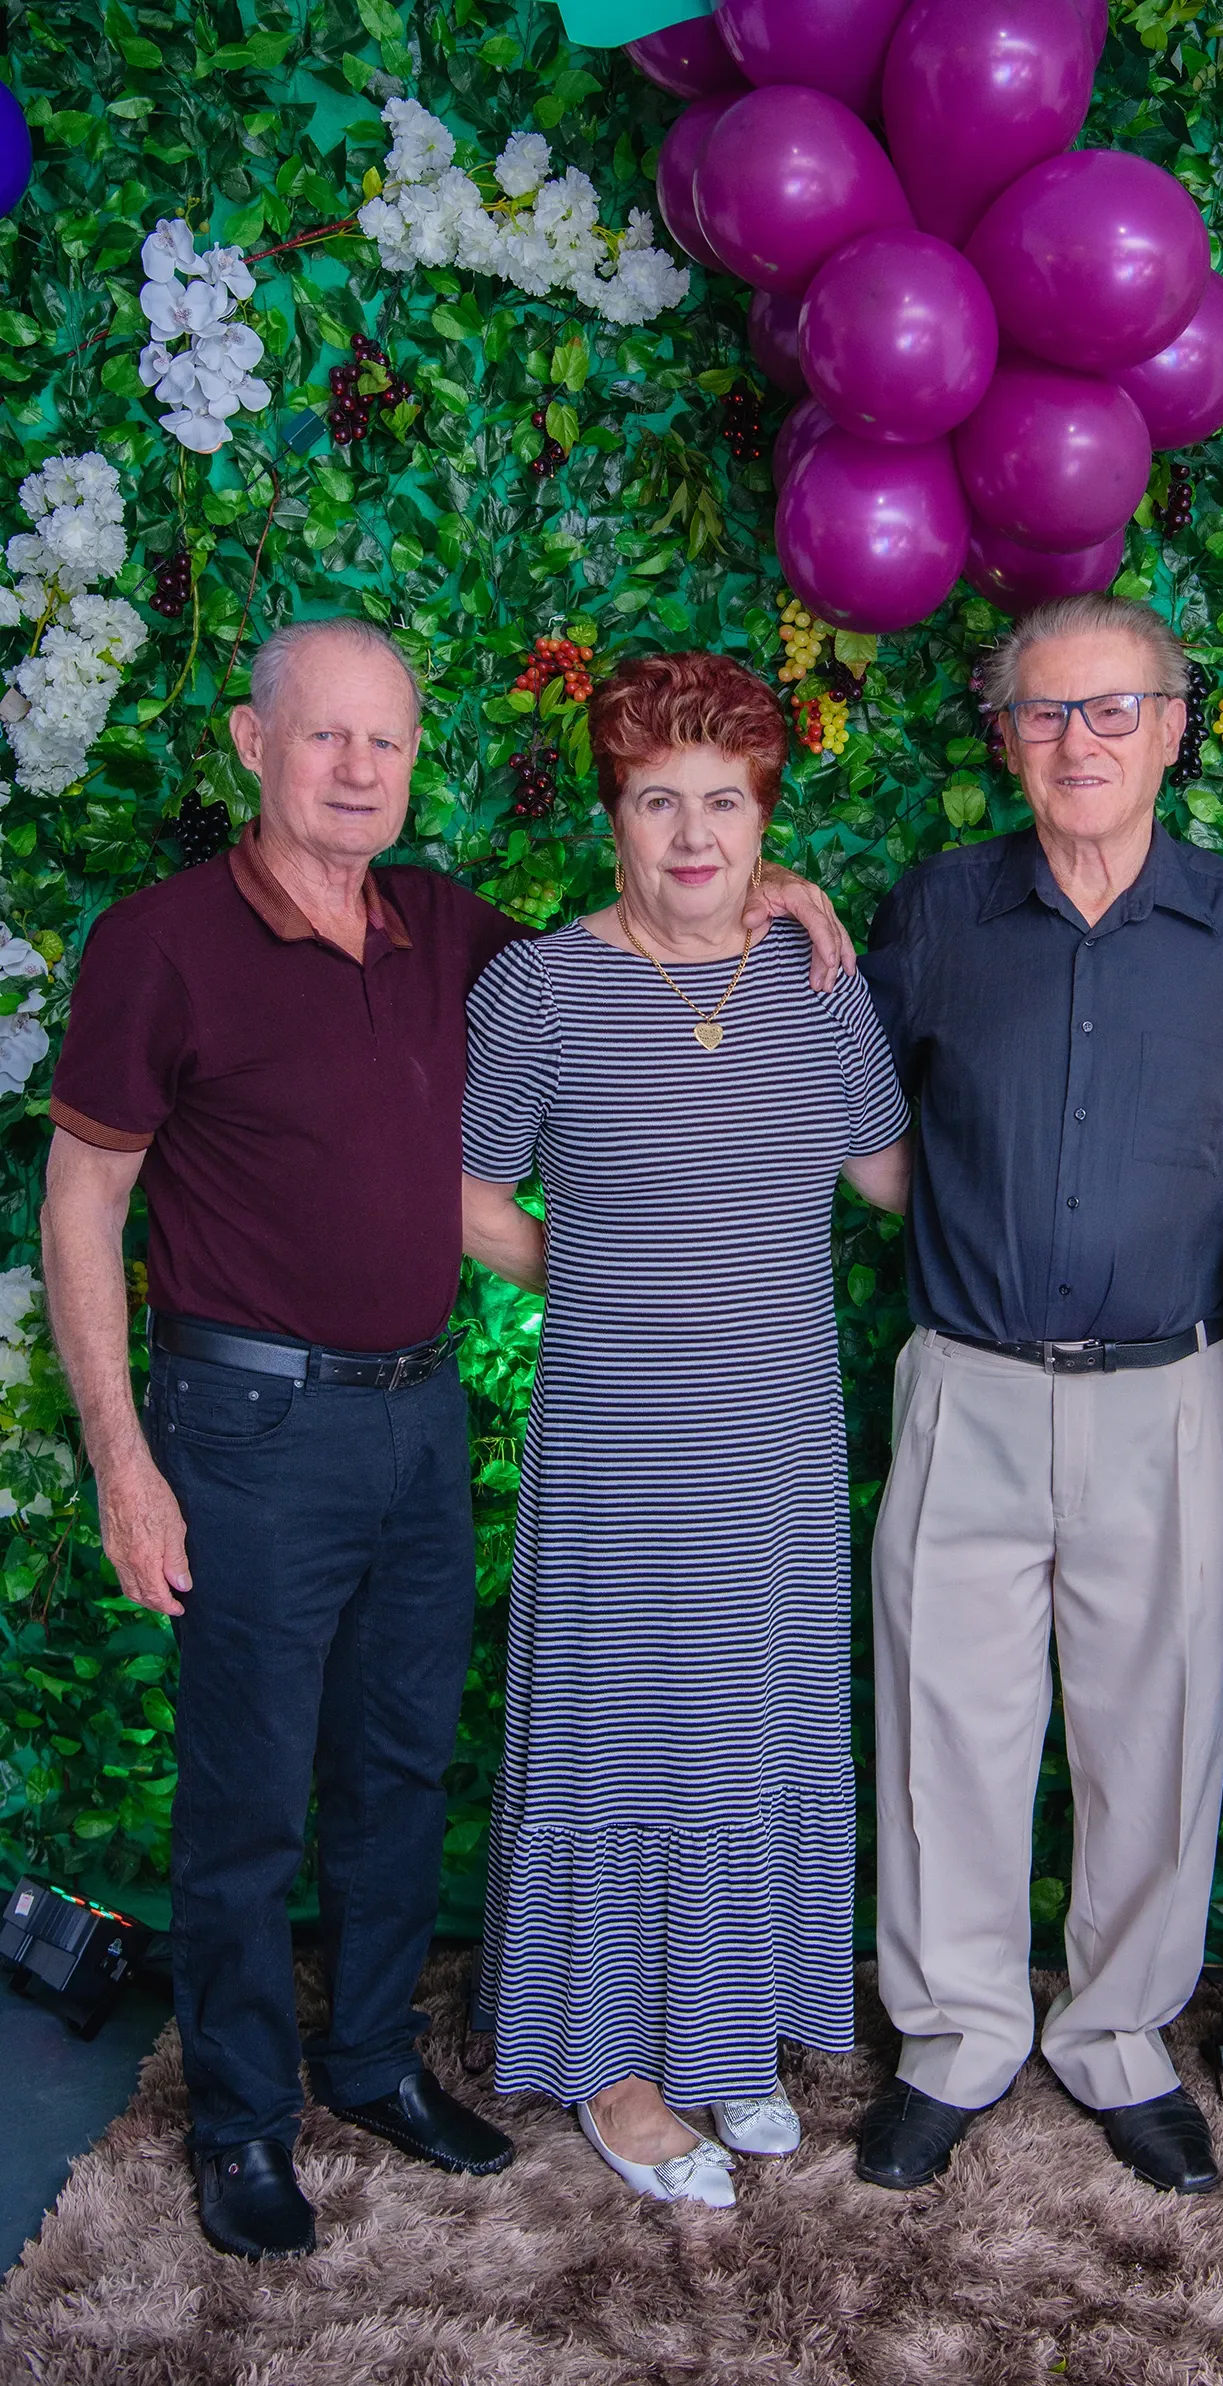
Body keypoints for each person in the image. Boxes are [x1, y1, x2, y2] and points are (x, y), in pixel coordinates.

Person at [37, 616, 856, 2261]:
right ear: (252, 747)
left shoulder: (445, 931)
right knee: (251, 1794)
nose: (357, 770)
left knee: (404, 1766)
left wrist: (779, 893)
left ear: (416, 763)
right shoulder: (163, 942)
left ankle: (370, 2064)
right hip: (248, 1419)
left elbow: (647, 931)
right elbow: (81, 1200)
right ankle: (246, 2121)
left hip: (418, 1411)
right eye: (325, 738)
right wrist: (125, 1461)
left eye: (387, 743)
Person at [855, 592, 1223, 2196]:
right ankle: (956, 2031)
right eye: (1047, 713)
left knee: (1158, 1725)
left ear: (1176, 728)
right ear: (1005, 737)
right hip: (968, 1381)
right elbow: (849, 1101)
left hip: (1174, 1392)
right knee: (945, 1725)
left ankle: (1116, 2033)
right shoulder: (937, 910)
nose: (1080, 741)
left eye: (1115, 710)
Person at [461, 650, 910, 2210]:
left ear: (763, 817)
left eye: (726, 802)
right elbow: (468, 1198)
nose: (695, 835)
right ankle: (615, 2067)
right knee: (624, 1720)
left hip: (777, 1434)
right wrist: (598, 1268)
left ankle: (724, 2034)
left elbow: (893, 1179)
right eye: (661, 802)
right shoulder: (537, 987)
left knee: (756, 1716)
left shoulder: (812, 980)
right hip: (614, 1438)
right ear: (617, 815)